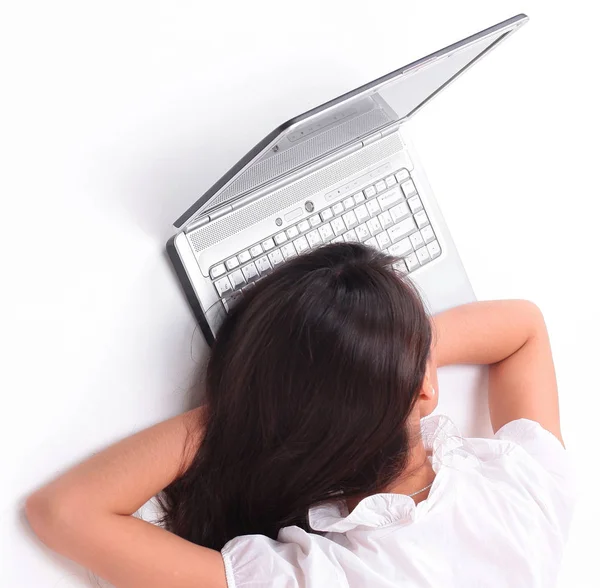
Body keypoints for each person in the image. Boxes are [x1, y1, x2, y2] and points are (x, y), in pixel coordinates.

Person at [25, 243, 574, 587]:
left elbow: (65, 511)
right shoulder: (526, 490)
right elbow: (524, 327)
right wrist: (388, 363)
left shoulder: (313, 578)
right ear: (427, 388)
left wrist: (264, 404)